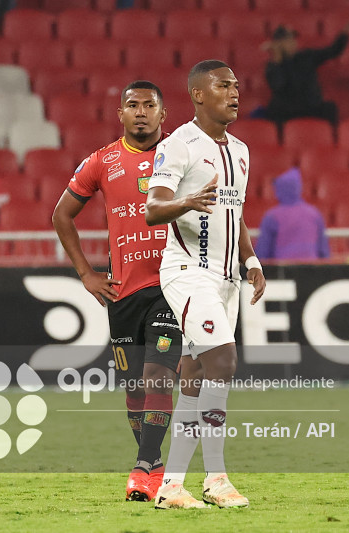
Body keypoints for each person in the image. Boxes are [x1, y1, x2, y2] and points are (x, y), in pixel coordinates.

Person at [52, 81, 181, 502]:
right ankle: (155, 462)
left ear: (164, 114)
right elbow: (62, 215)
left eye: (149, 105)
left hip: (171, 286)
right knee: (134, 389)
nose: (141, 112)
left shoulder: (180, 153)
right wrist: (87, 274)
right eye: (132, 105)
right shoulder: (103, 161)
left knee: (158, 373)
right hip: (122, 293)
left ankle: (144, 467)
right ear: (120, 114)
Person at [146, 60, 266, 509]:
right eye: (223, 85)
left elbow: (235, 213)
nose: (234, 92)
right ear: (198, 94)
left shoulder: (241, 150)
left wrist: (250, 258)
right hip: (186, 272)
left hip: (226, 278)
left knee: (196, 376)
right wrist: (186, 202)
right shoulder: (178, 145)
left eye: (236, 85)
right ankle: (217, 478)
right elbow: (153, 209)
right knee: (223, 360)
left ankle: (172, 486)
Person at [264, 23, 349, 125]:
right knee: (275, 112)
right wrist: (277, 59)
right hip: (287, 110)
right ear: (278, 44)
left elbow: (332, 51)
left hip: (311, 106)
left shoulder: (307, 56)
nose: (293, 43)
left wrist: (344, 35)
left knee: (330, 109)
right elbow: (278, 85)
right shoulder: (273, 65)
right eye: (288, 40)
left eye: (293, 39)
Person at [255, 167, 330, 261]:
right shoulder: (314, 214)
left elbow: (262, 252)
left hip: (282, 272)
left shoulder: (272, 216)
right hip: (312, 270)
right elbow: (323, 251)